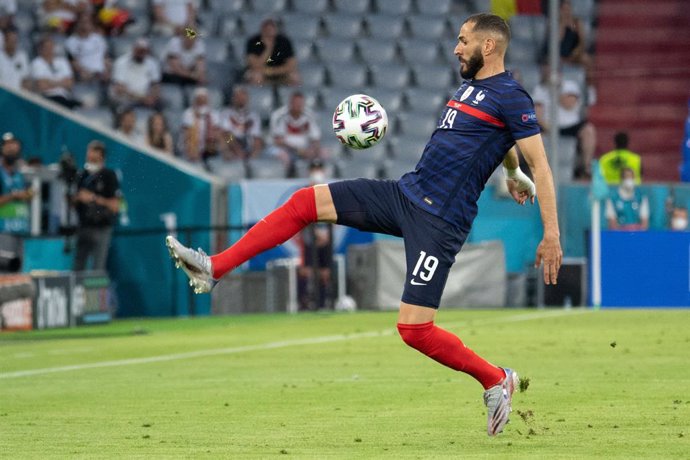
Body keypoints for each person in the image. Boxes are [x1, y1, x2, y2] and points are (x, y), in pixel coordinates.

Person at [166, 13, 562, 437]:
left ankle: (495, 379)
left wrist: (551, 233)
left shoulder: (511, 94)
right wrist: (510, 171)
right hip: (404, 195)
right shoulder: (472, 87)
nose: (455, 48)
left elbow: (541, 163)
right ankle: (215, 269)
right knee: (305, 201)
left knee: (414, 329)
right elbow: (499, 142)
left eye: (463, 41)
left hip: (439, 222)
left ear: (488, 46)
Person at [533, 79, 596, 180]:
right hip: (548, 126)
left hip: (570, 125)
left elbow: (569, 104)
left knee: (588, 131)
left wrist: (554, 92)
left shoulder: (570, 85)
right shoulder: (540, 89)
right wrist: (547, 128)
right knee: (530, 136)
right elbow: (537, 113)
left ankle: (586, 168)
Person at [72, 140, 120, 271]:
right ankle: (79, 292)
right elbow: (73, 203)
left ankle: (94, 293)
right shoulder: (82, 175)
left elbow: (115, 206)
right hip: (83, 227)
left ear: (101, 155)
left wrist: (93, 198)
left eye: (93, 152)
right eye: (88, 152)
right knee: (78, 267)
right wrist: (76, 198)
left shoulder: (109, 175)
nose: (89, 155)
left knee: (97, 268)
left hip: (102, 228)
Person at [297, 159, 333, 311]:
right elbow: (301, 216)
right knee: (306, 270)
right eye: (314, 168)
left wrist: (327, 235)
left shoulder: (329, 192)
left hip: (325, 239)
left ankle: (322, 303)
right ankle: (303, 302)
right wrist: (315, 234)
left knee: (325, 272)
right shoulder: (304, 193)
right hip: (309, 239)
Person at [269, 90, 323, 176]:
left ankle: (314, 181)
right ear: (290, 103)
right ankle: (286, 179)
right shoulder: (279, 115)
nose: (298, 106)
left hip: (304, 149)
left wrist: (313, 149)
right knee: (284, 156)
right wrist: (298, 150)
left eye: (300, 104)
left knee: (323, 154)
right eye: (295, 103)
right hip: (282, 149)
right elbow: (278, 141)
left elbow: (316, 139)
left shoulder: (309, 115)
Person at [109, 38, 162, 111]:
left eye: (143, 51)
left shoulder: (152, 63)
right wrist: (142, 98)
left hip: (146, 98)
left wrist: (153, 97)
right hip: (127, 98)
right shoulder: (121, 62)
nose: (141, 54)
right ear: (134, 49)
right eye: (139, 51)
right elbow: (119, 88)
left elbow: (155, 85)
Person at [244, 18, 300, 87]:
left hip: (279, 72)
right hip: (262, 73)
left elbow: (291, 64)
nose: (269, 33)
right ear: (262, 30)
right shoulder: (253, 42)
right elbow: (255, 65)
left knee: (294, 76)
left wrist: (272, 71)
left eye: (271, 30)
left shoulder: (284, 41)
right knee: (256, 76)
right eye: (266, 30)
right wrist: (268, 48)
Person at [30, 35, 81, 109]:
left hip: (64, 97)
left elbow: (70, 83)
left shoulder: (62, 61)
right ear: (40, 49)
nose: (49, 49)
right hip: (47, 98)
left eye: (51, 47)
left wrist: (50, 82)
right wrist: (61, 82)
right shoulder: (36, 63)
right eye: (46, 47)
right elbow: (41, 86)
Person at [178, 86, 221, 166]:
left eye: (204, 98)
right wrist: (192, 151)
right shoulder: (188, 113)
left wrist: (227, 143)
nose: (202, 101)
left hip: (209, 149)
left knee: (227, 137)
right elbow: (187, 135)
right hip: (192, 148)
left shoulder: (214, 114)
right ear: (195, 100)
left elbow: (225, 135)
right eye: (199, 98)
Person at [0, 132, 33, 234]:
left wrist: (28, 195)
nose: (11, 150)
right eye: (8, 147)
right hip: (3, 231)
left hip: (21, 230)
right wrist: (14, 196)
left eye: (14, 147)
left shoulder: (20, 173)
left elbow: (28, 195)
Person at [220, 85, 263, 160]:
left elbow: (256, 136)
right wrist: (238, 151)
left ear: (248, 99)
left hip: (247, 143)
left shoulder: (254, 116)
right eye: (238, 97)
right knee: (225, 138)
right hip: (231, 141)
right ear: (233, 99)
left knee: (259, 142)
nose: (241, 99)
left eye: (243, 97)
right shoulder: (225, 114)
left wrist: (254, 154)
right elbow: (227, 134)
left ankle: (252, 162)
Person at [65, 13, 110, 82]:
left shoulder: (99, 39)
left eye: (87, 22)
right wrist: (83, 71)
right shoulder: (71, 41)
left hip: (101, 72)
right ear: (78, 24)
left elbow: (106, 57)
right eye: (83, 22)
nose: (85, 25)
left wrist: (107, 70)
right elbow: (73, 62)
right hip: (85, 73)